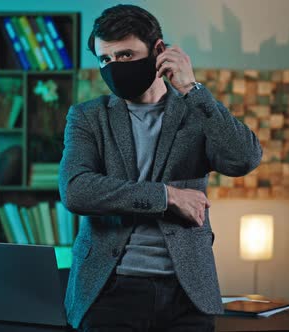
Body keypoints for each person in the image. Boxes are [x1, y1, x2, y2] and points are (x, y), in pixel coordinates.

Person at [59, 4, 263, 331]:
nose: (114, 67)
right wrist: (167, 196)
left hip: (187, 292)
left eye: (125, 56)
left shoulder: (195, 112)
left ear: (158, 51)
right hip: (110, 289)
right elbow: (76, 191)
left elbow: (244, 159)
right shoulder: (88, 117)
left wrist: (192, 90)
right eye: (105, 60)